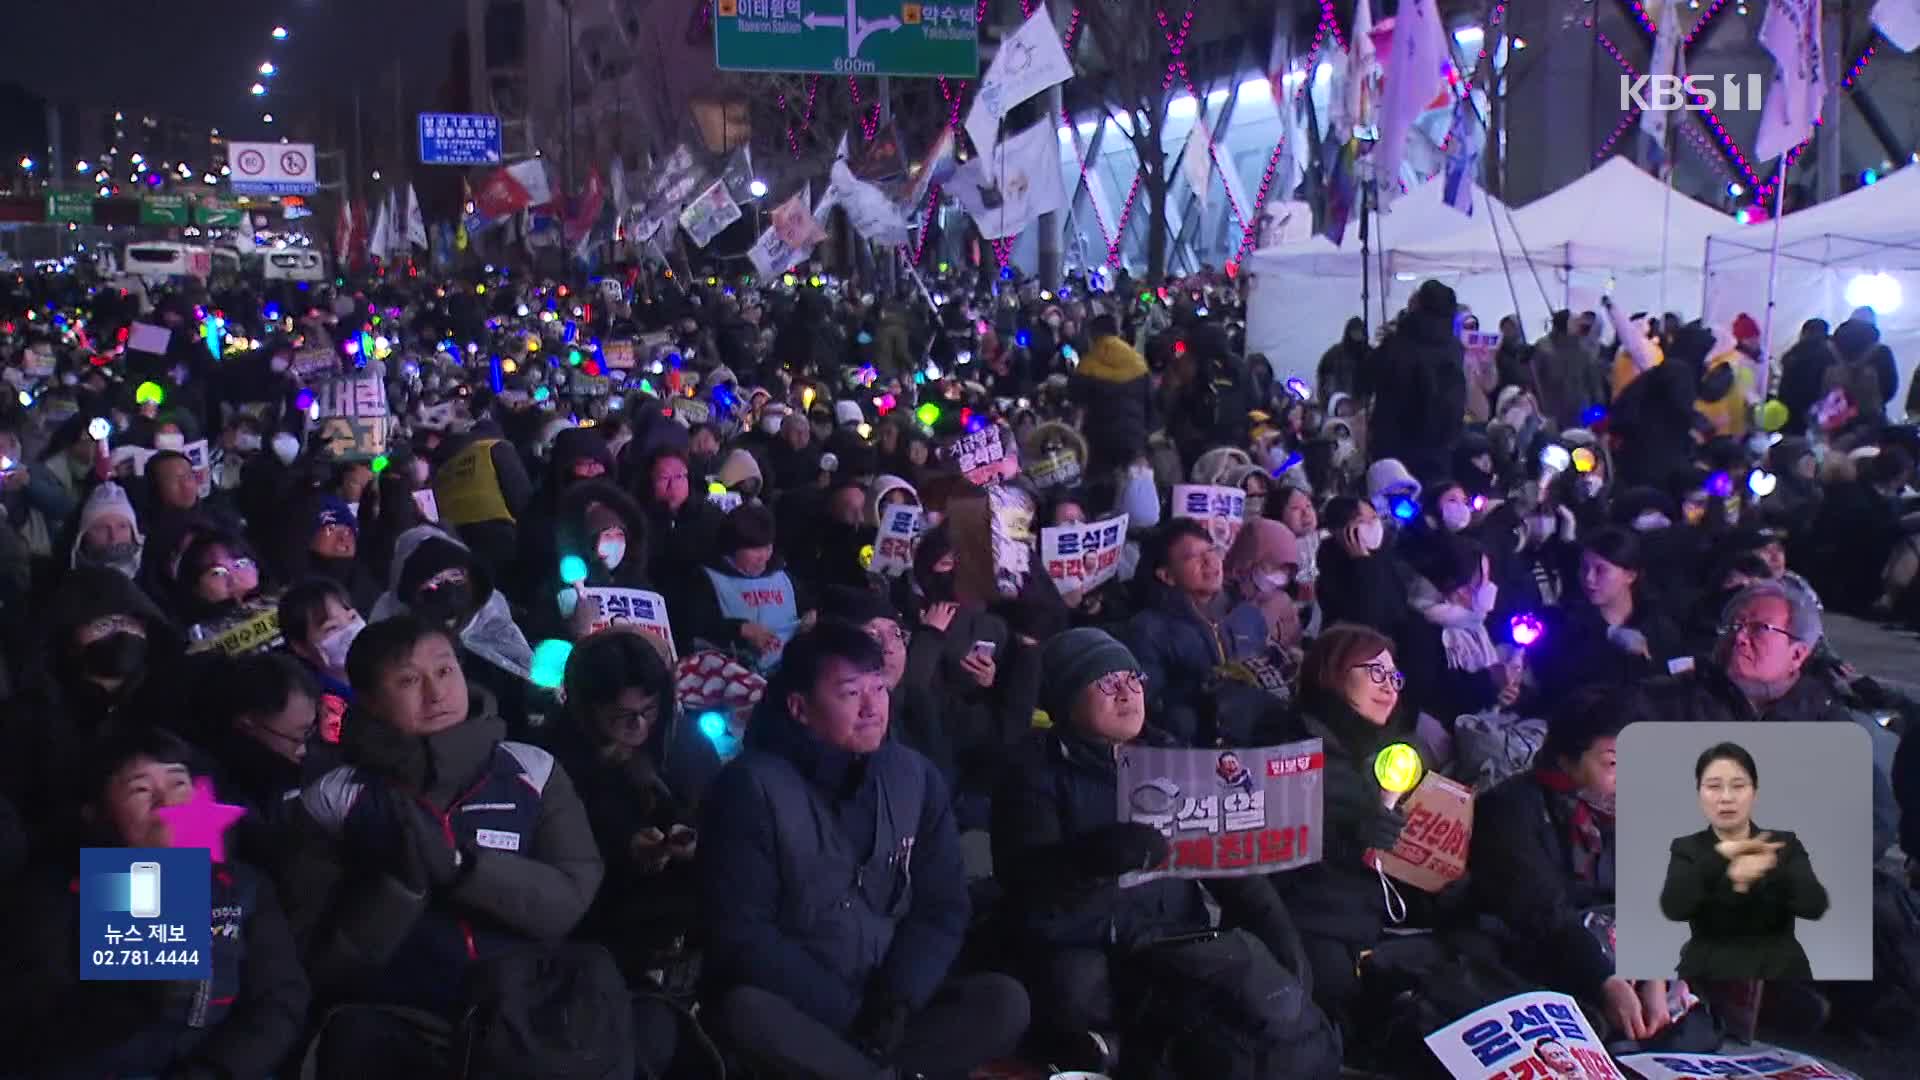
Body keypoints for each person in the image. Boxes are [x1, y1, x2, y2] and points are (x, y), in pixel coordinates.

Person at [991, 628, 1339, 1074]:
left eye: (1132, 678)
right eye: (1105, 682)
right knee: (1077, 989)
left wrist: (1277, 932)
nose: (1126, 692)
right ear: (1065, 698)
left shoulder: (1170, 755)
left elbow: (1227, 861)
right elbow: (1029, 893)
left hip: (1178, 936)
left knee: (1267, 999)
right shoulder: (1031, 771)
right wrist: (1094, 857)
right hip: (1087, 941)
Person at [284, 615, 624, 1070]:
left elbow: (570, 896)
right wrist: (399, 890)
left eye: (445, 671)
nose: (436, 692)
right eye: (408, 679)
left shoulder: (533, 771)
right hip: (399, 1017)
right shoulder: (337, 799)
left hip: (528, 1011)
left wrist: (464, 868)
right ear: (367, 700)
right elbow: (314, 962)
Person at [697, 622, 1030, 1079]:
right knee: (745, 1011)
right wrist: (849, 1012)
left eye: (880, 688)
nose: (873, 708)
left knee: (1003, 1001)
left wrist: (898, 997)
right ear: (800, 707)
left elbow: (942, 907)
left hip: (887, 1002)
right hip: (804, 1006)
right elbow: (742, 935)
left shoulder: (915, 777)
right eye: (851, 694)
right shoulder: (751, 788)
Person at [0, 727, 311, 1079]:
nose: (167, 802)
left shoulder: (244, 887)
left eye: (179, 783)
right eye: (141, 789)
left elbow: (279, 1002)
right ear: (97, 813)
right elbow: (35, 1029)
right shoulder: (57, 892)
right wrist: (135, 987)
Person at [1471, 687, 1688, 1043]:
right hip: (1538, 957)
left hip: (1612, 956)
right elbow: (1541, 912)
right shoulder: (1509, 809)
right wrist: (1606, 981)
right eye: (1614, 764)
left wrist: (1655, 977)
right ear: (1566, 759)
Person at [1641, 580, 1900, 860]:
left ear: (1798, 654)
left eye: (1759, 629)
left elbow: (1875, 820)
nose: (1739, 638)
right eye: (1733, 627)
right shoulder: (1675, 704)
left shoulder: (1826, 723)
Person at [1261, 625, 1419, 1027]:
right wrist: (1348, 837)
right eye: (1376, 673)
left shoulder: (1380, 754)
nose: (1389, 687)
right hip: (1306, 925)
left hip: (1362, 921)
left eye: (1395, 677)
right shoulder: (1286, 744)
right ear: (1333, 671)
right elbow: (1267, 846)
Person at [549, 629, 720, 980]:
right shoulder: (555, 758)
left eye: (649, 710)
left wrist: (692, 838)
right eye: (620, 715)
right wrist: (625, 845)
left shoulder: (684, 744)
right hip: (600, 928)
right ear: (586, 709)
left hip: (688, 918)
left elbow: (719, 814)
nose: (639, 725)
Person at [1659, 741, 1830, 980]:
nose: (1726, 798)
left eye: (1738, 786)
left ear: (1755, 792)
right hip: (1710, 974)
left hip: (1780, 973)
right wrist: (1719, 858)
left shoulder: (1782, 844)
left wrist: (1773, 869)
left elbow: (1815, 906)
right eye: (1714, 787)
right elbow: (1674, 908)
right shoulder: (1687, 847)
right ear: (1699, 793)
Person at [1532, 527, 1687, 701]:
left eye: (1601, 570)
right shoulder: (1564, 623)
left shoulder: (1659, 628)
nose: (1589, 578)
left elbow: (1674, 687)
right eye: (1584, 568)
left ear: (1630, 575)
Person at [680, 502, 812, 672]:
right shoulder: (705, 579)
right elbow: (693, 624)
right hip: (730, 674)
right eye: (755, 550)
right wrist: (741, 629)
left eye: (768, 547)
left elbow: (808, 605)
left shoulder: (783, 576)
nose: (763, 556)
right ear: (733, 549)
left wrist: (811, 616)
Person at [1070, 313, 1155, 479]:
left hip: (1099, 440)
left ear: (1093, 335)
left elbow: (1078, 410)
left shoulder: (1087, 365)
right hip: (1133, 437)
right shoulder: (1138, 362)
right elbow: (1150, 404)